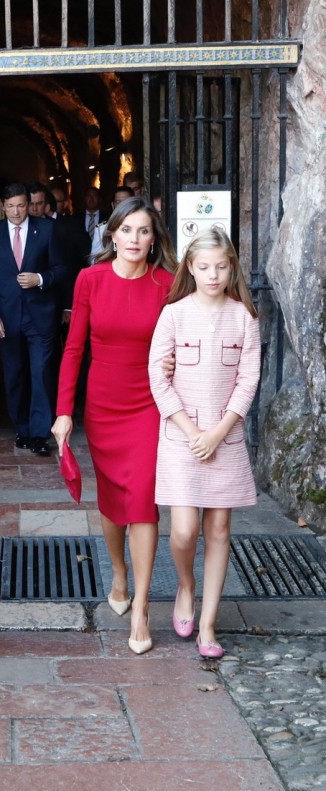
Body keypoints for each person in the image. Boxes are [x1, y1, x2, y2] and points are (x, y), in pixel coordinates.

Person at [52, 197, 177, 654]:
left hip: (148, 404)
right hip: (103, 404)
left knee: (142, 499)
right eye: (127, 230)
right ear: (112, 234)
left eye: (144, 231)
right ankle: (118, 572)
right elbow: (73, 348)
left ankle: (141, 606)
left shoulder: (167, 284)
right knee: (111, 499)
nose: (135, 239)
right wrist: (64, 411)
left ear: (154, 239)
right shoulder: (90, 279)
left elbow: (182, 343)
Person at [148, 227, 261, 659]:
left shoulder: (244, 316)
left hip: (225, 439)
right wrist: (192, 432)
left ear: (232, 267)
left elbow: (248, 380)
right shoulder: (173, 314)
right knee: (184, 530)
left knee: (218, 529)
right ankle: (186, 585)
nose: (213, 275)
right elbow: (158, 377)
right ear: (190, 268)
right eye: (204, 267)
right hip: (181, 439)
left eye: (221, 266)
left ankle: (209, 625)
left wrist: (218, 432)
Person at [0, 182, 67, 456]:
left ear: (28, 204)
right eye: (10, 207)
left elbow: (62, 269)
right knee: (15, 375)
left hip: (40, 316)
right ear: (2, 206)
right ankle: (23, 428)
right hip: (6, 317)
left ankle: (40, 433)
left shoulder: (48, 229)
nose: (16, 212)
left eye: (20, 205)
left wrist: (40, 278)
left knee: (41, 373)